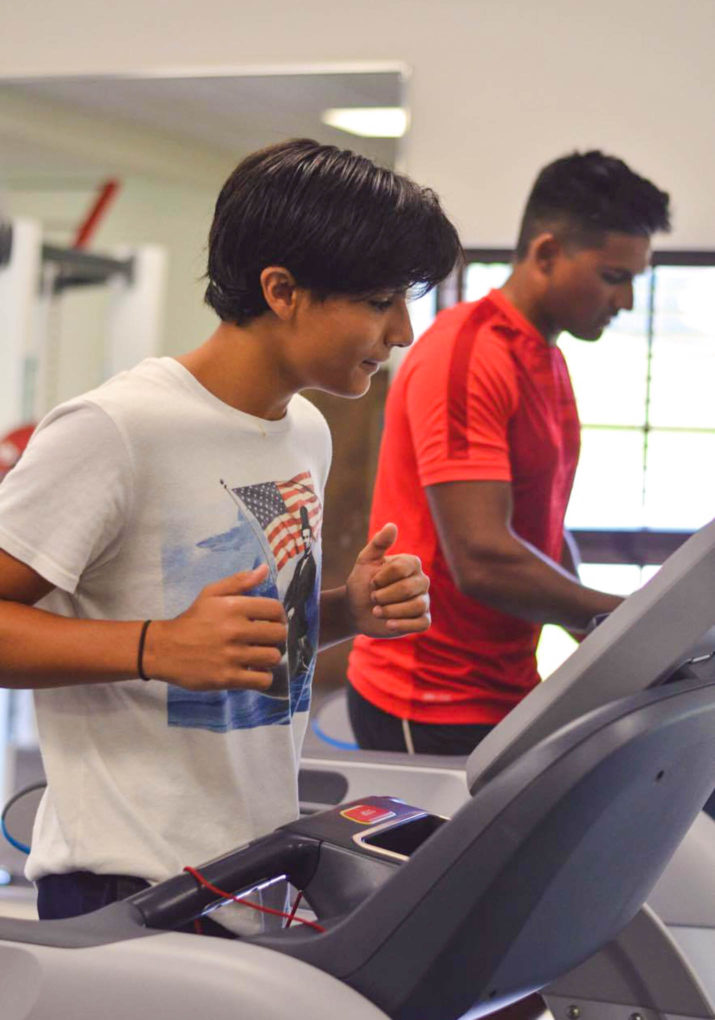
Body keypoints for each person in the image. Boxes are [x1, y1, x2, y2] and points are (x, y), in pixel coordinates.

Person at [0, 138, 462, 922]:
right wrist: (155, 646)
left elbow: (247, 635)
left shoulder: (304, 431)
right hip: (127, 887)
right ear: (282, 290)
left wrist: (349, 611)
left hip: (255, 866)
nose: (405, 330)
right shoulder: (115, 428)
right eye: (382, 300)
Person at [348, 150, 671, 756]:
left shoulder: (545, 357)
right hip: (431, 697)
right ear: (546, 253)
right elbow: (483, 558)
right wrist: (628, 620)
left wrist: (604, 638)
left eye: (634, 279)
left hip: (504, 685)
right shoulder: (469, 353)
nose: (625, 300)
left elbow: (541, 529)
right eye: (613, 276)